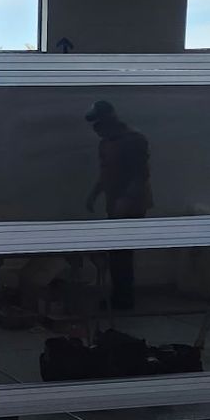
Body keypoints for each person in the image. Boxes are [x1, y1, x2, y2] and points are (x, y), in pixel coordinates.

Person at [83, 100, 152, 310]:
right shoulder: (106, 142)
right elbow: (106, 173)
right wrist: (94, 195)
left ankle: (124, 299)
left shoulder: (134, 140)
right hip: (114, 204)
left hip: (132, 205)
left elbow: (141, 174)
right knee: (116, 253)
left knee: (122, 253)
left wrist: (126, 200)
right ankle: (119, 296)